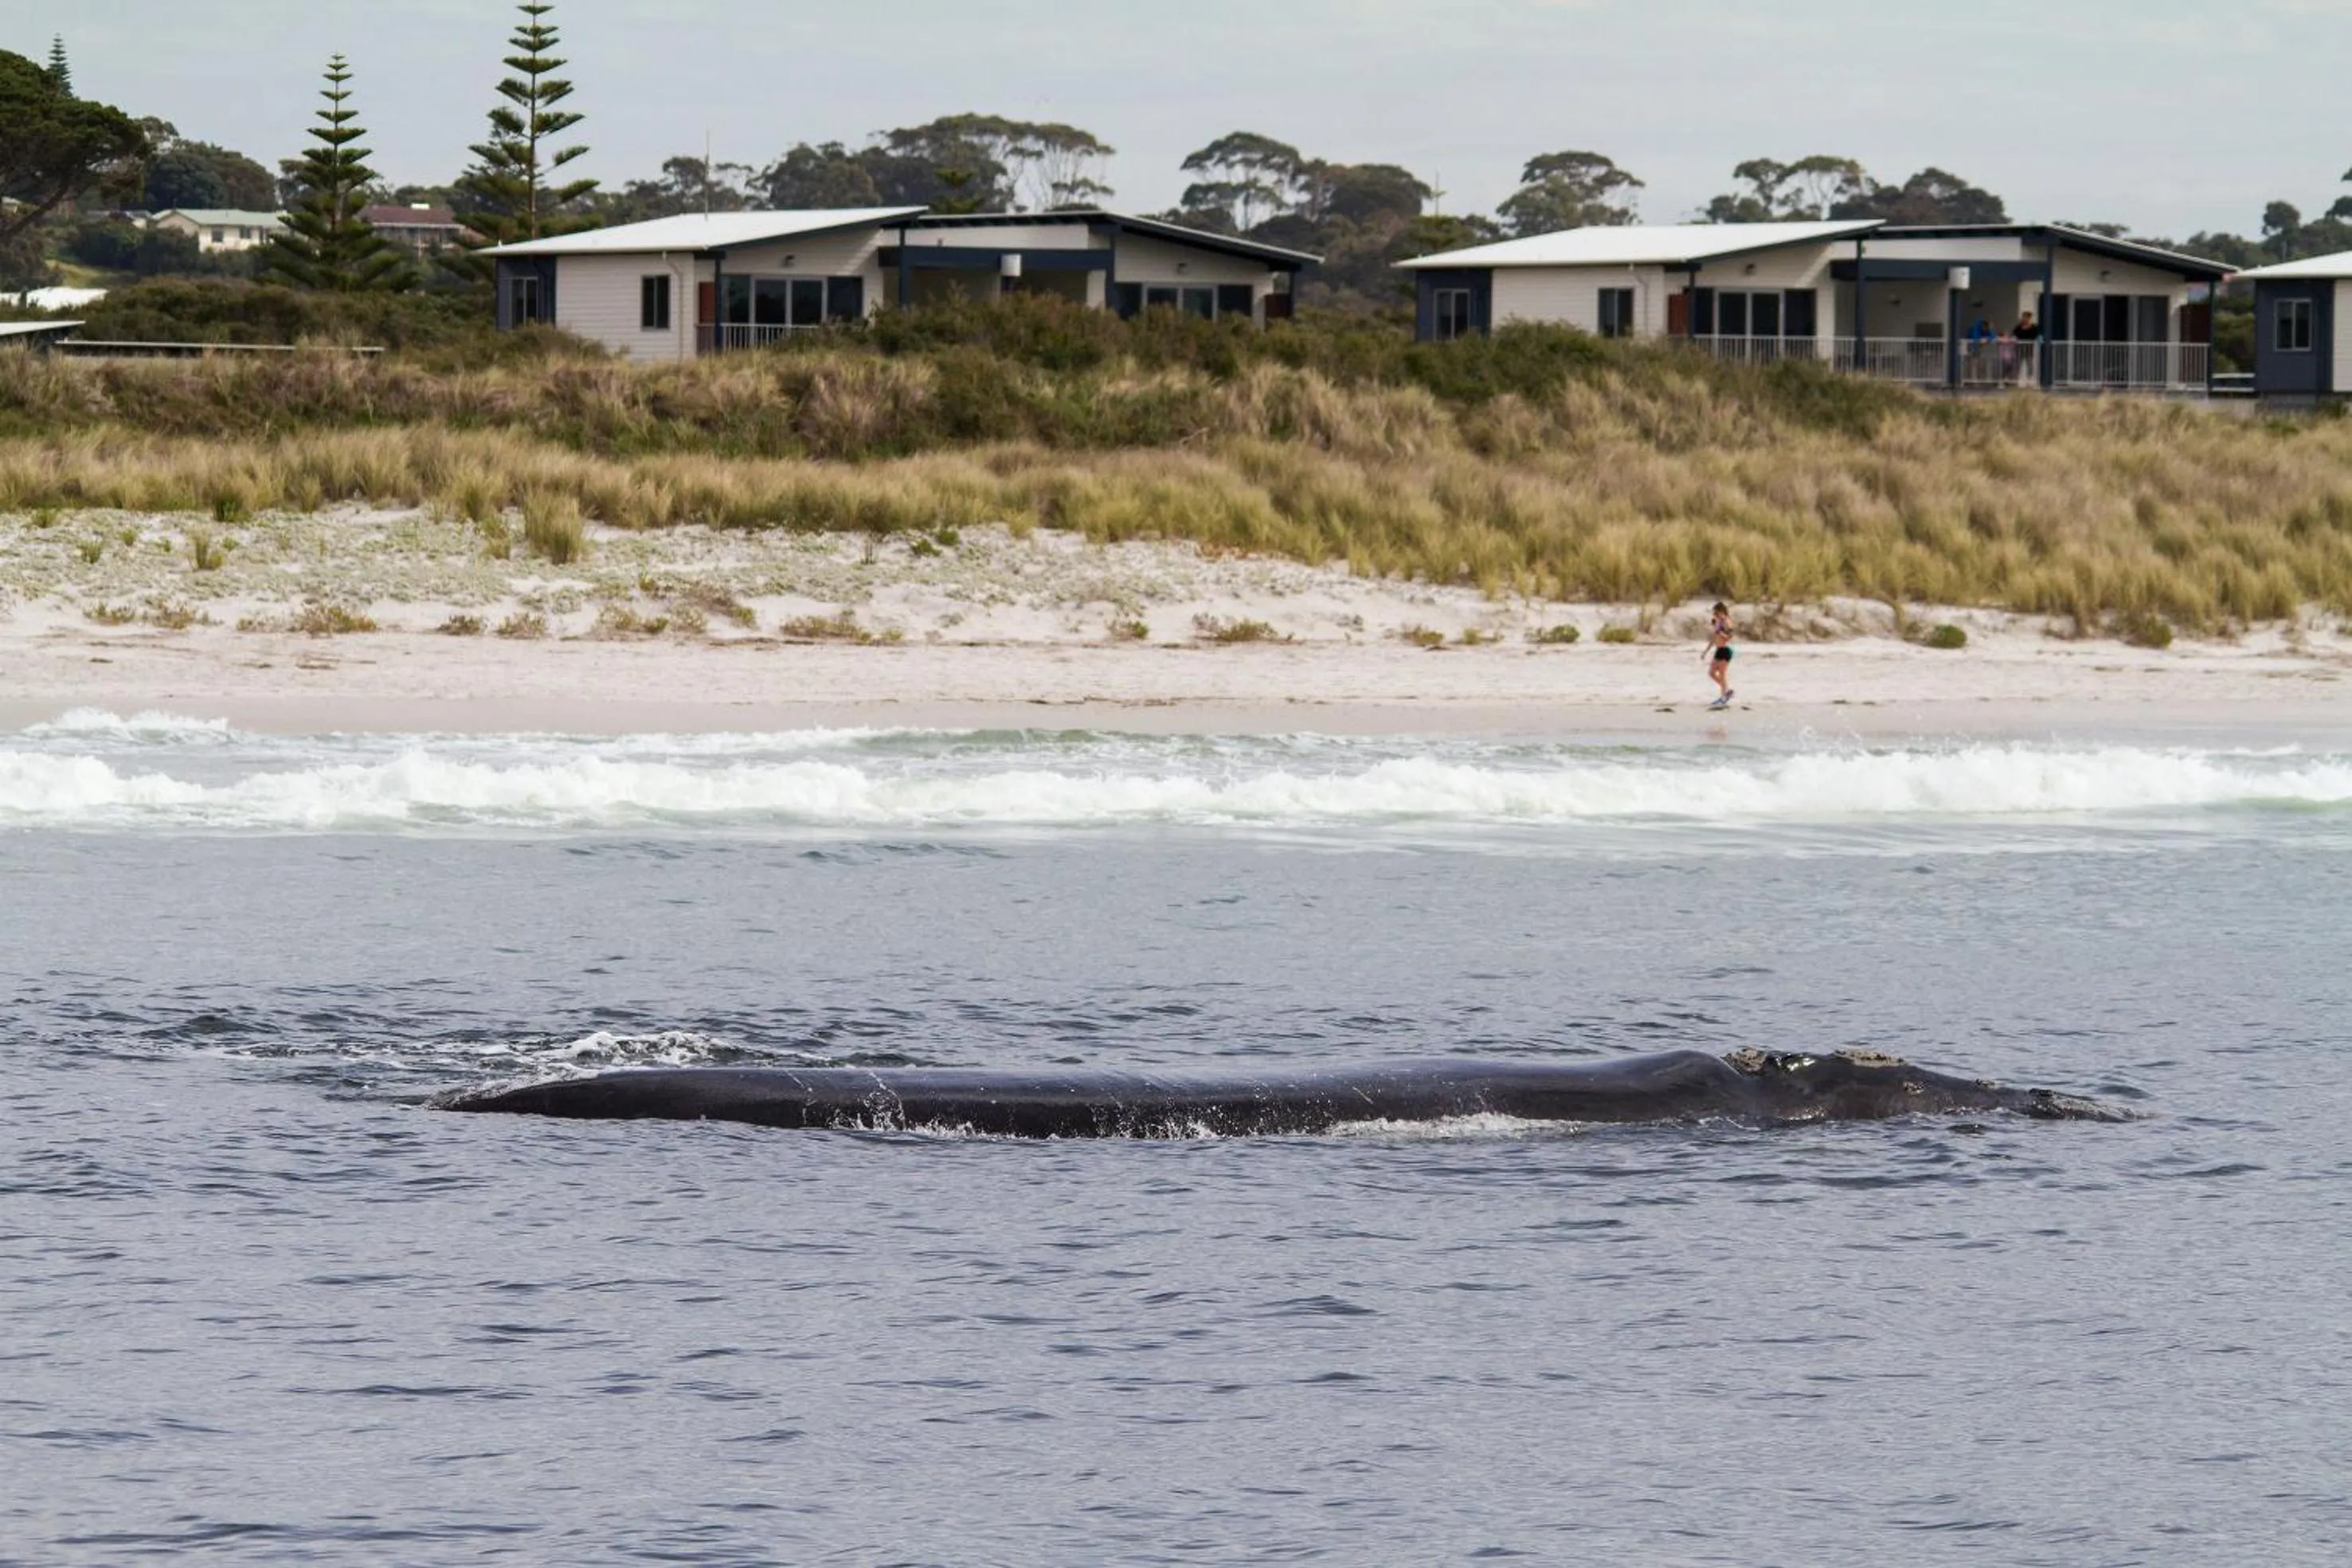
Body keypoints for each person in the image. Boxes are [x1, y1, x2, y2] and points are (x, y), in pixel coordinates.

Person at [1705, 602, 1735, 710]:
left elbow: (1729, 637)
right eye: (1714, 613)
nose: (1715, 615)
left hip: (1726, 649)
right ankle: (1727, 691)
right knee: (1711, 673)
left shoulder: (1727, 621)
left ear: (1721, 611)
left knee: (1722, 674)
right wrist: (1706, 651)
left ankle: (1724, 696)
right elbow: (1714, 638)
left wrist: (1720, 632)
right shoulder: (1718, 622)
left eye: (1716, 612)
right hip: (1719, 649)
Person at [2011, 311, 2043, 387]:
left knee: (2030, 364)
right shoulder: (2018, 327)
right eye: (2023, 317)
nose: (2025, 319)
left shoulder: (2034, 327)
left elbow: (2036, 335)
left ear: (2029, 318)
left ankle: (2030, 380)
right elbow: (2015, 334)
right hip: (2020, 348)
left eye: (2026, 317)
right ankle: (2017, 380)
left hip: (2029, 348)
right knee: (2018, 364)